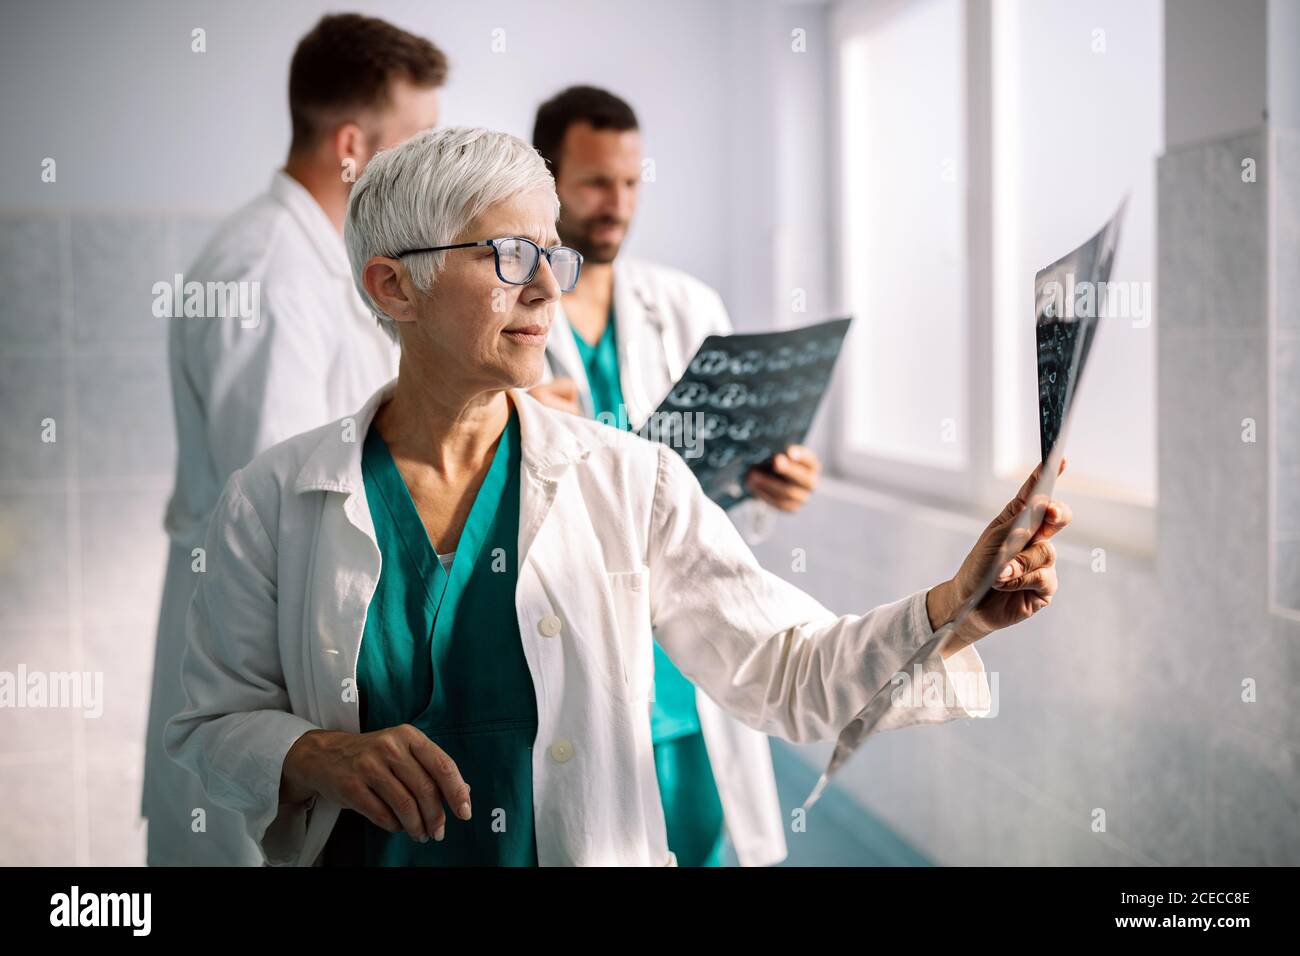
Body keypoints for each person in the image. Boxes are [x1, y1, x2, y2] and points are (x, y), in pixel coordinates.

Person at [166, 126, 1071, 867]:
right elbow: (210, 722)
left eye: (548, 257)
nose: (544, 288)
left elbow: (786, 670)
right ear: (393, 285)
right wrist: (312, 754)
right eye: (508, 255)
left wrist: (955, 608)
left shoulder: (631, 481)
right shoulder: (273, 500)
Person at [143, 13, 448, 866]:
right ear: (353, 147)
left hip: (297, 651)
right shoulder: (268, 273)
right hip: (259, 660)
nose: (431, 163)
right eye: (419, 138)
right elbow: (282, 510)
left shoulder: (324, 262)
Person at [530, 86, 820, 866]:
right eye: (595, 183)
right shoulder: (508, 316)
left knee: (703, 835)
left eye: (631, 182)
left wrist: (766, 484)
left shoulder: (686, 305)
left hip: (682, 655)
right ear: (545, 179)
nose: (617, 204)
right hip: (572, 635)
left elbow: (718, 500)